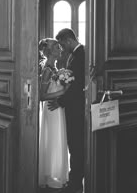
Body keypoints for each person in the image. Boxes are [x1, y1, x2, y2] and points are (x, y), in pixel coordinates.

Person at [48, 29, 85, 193]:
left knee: (76, 144)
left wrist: (60, 101)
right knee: (74, 143)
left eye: (62, 44)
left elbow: (76, 86)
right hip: (72, 106)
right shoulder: (76, 55)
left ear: (69, 40)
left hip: (75, 107)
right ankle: (75, 180)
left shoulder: (80, 55)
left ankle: (76, 182)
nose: (61, 48)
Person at [38, 38, 70, 190]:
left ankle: (57, 173)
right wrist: (62, 91)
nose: (61, 50)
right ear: (50, 52)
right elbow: (42, 96)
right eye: (58, 48)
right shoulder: (47, 71)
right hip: (51, 110)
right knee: (52, 139)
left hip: (58, 109)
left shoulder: (55, 69)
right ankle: (50, 175)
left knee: (58, 139)